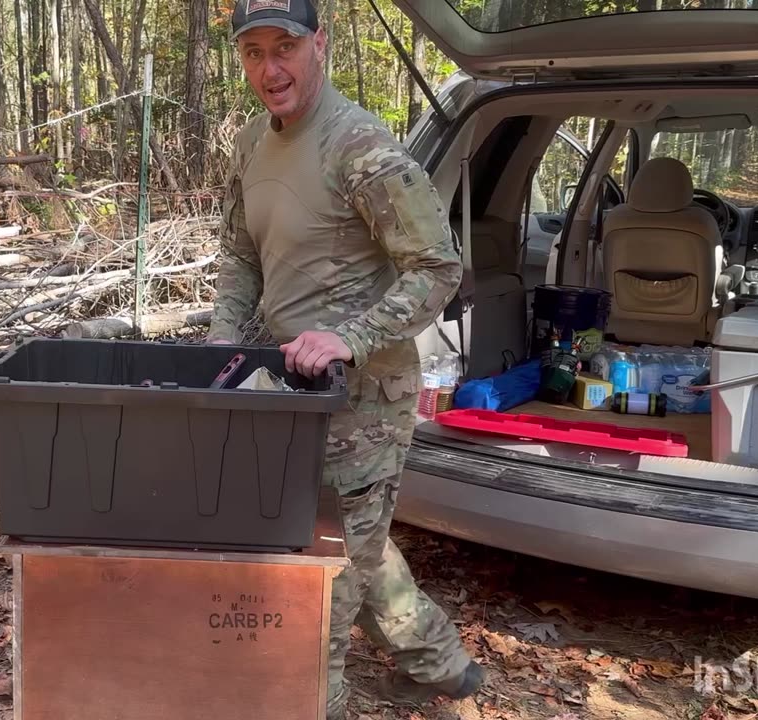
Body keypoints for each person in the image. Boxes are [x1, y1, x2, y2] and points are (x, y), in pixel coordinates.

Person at [205, 0, 485, 717]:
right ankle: (441, 663)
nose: (270, 70)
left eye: (286, 48)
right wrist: (225, 344)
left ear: (319, 45)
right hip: (288, 391)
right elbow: (241, 255)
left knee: (319, 585)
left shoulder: (359, 146)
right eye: (253, 52)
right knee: (352, 543)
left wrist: (349, 338)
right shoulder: (247, 143)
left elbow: (435, 268)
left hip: (363, 399)